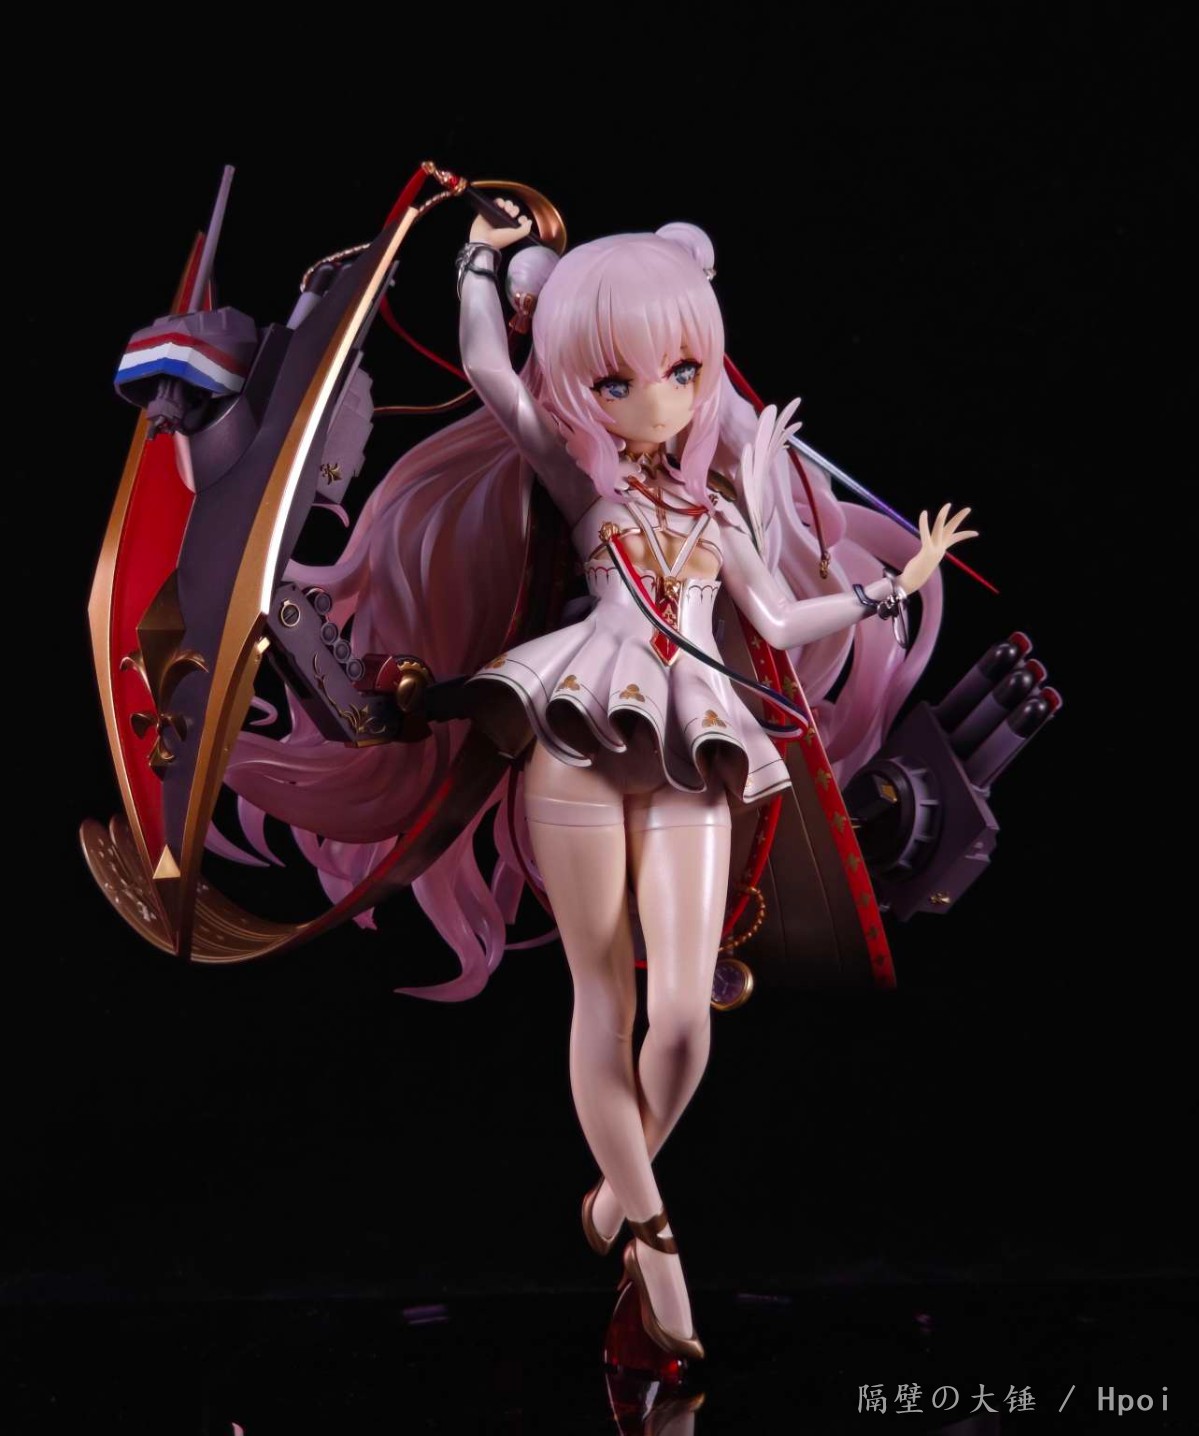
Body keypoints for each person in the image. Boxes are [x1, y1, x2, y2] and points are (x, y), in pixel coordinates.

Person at [223, 196, 975, 1360]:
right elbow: (487, 368)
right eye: (615, 380)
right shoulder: (581, 482)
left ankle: (614, 1193)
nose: (655, 401)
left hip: (695, 744)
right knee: (604, 1001)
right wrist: (477, 266)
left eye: (681, 370)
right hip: (577, 732)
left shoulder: (716, 512)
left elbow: (780, 618)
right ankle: (657, 1243)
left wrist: (893, 584)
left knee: (681, 1016)